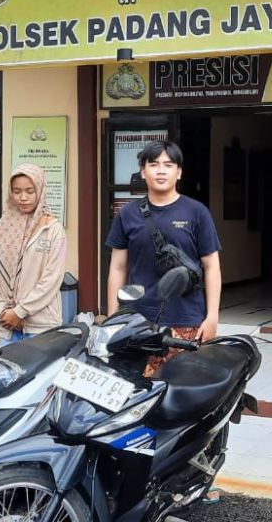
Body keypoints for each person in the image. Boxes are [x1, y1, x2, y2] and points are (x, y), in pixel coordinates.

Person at [106, 140, 221, 376]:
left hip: (186, 320)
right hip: (138, 320)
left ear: (179, 172)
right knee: (136, 388)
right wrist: (113, 318)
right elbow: (117, 268)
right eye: (154, 164)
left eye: (168, 165)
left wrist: (212, 317)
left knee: (182, 389)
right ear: (143, 171)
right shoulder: (127, 214)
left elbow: (212, 267)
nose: (161, 171)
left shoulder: (196, 212)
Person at [0, 164, 67, 346]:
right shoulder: (1, 228)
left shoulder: (53, 230)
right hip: (7, 326)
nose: (23, 197)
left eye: (30, 191)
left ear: (40, 191)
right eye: (17, 191)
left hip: (41, 326)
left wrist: (20, 312)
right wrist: (2, 310)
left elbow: (52, 279)